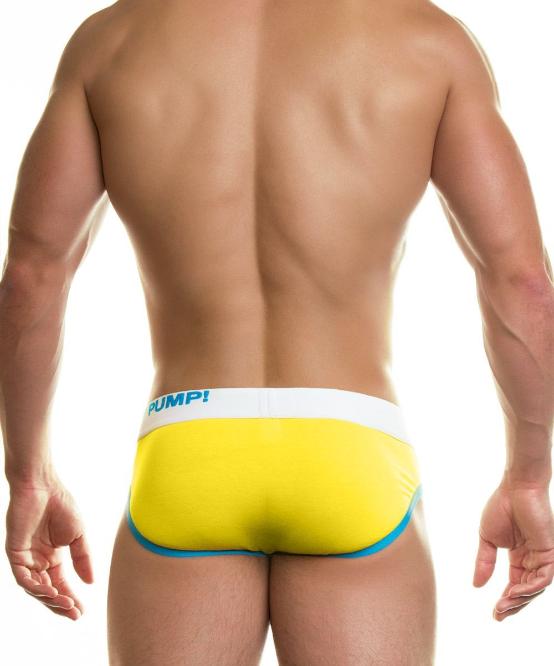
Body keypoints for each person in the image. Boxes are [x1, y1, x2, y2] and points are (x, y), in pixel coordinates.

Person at [1, 1, 553, 663]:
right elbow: (522, 282)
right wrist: (529, 479)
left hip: (190, 441)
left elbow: (31, 277)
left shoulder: (110, 41)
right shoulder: (426, 39)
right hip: (350, 441)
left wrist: (27, 477)